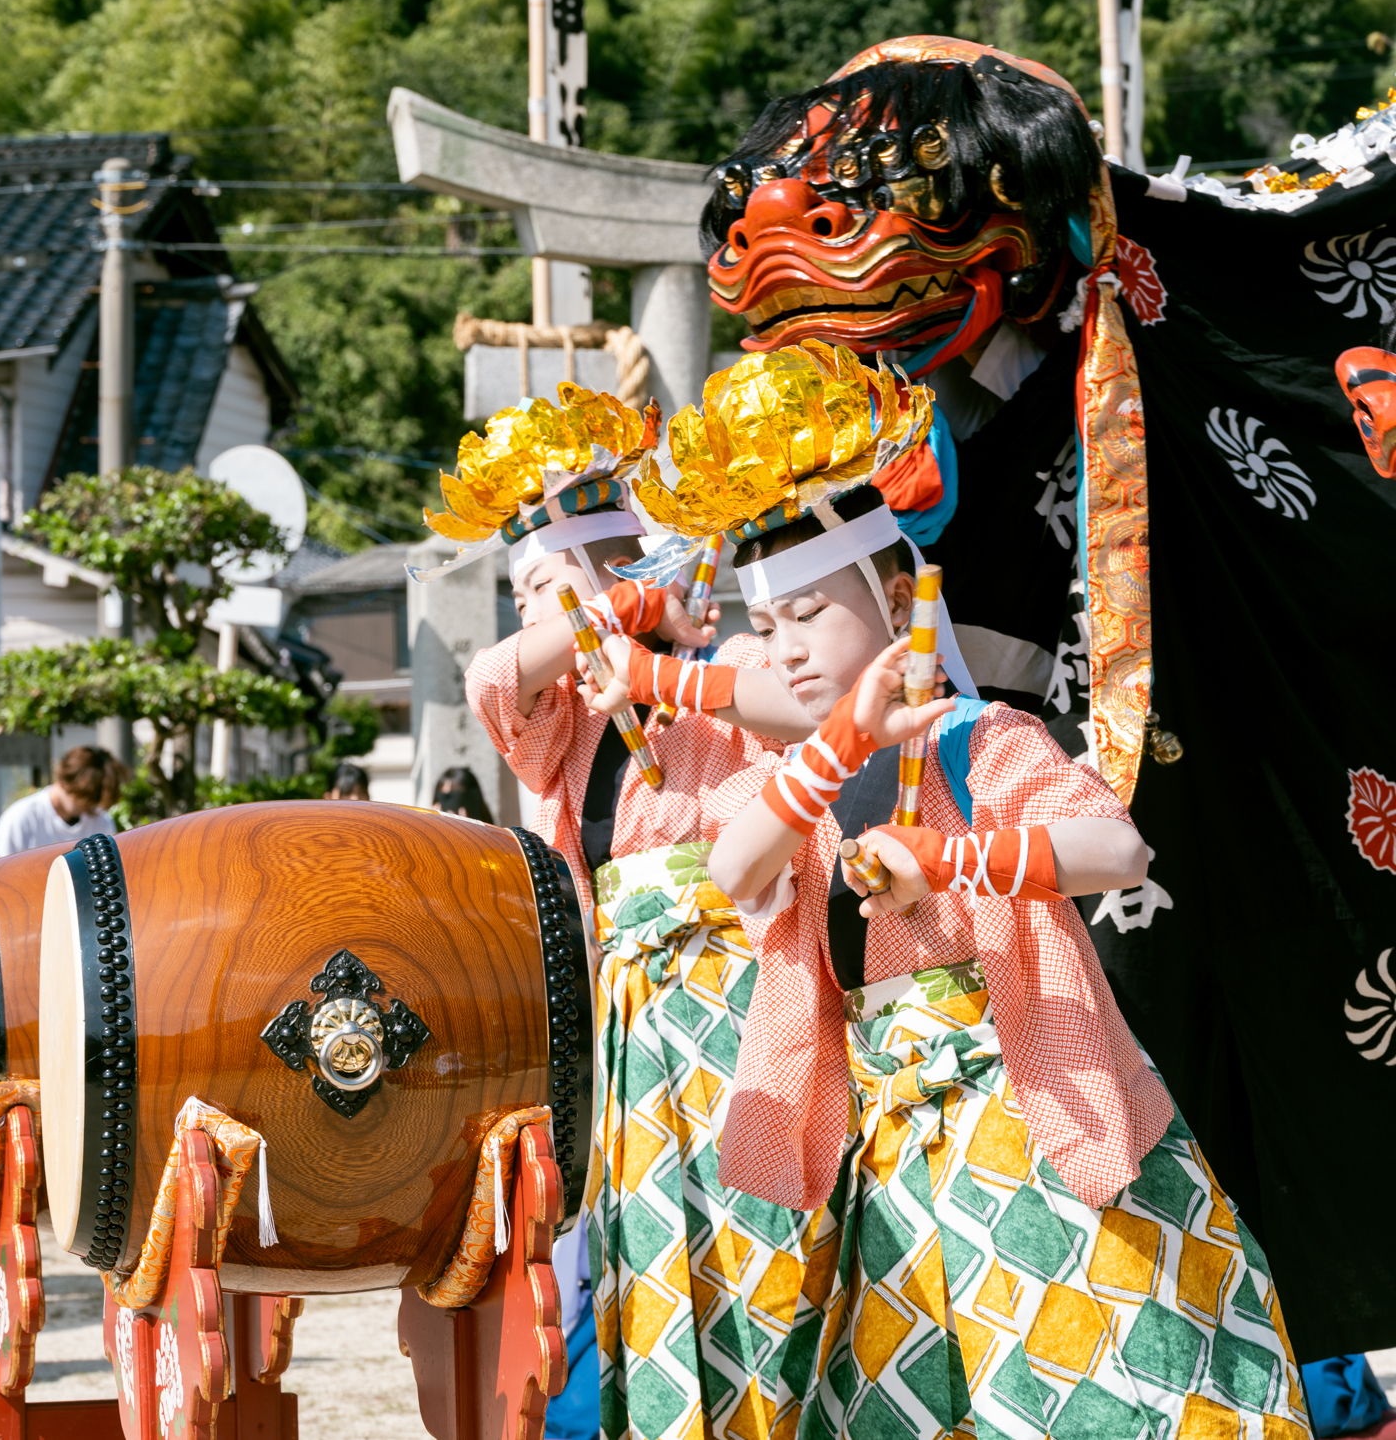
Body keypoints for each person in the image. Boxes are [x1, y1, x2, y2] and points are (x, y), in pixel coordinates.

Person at [589, 339, 1312, 1440]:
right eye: (766, 627)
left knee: (1106, 1392)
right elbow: (734, 868)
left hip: (1030, 1113)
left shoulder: (983, 737)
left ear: (897, 600)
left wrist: (950, 862)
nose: (784, 649)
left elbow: (1115, 851)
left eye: (811, 614)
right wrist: (837, 744)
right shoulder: (796, 778)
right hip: (890, 1149)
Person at [441, 383, 838, 1440]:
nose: (526, 612)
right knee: (647, 1235)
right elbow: (492, 680)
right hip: (634, 1007)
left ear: (617, 565)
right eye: (520, 594)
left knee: (762, 1235)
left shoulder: (724, 664)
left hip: (747, 984)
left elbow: (810, 712)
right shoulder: (564, 724)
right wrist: (617, 618)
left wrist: (662, 667)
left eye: (541, 586)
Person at [0, 744, 127, 856]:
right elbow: (3, 871)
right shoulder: (21, 818)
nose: (89, 807)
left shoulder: (100, 820)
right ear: (66, 782)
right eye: (86, 798)